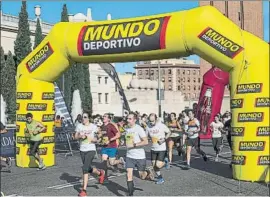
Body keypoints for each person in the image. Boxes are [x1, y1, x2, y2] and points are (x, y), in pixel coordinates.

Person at [74, 112, 105, 197]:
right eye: (82, 117)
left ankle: (84, 191)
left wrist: (96, 139)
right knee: (87, 167)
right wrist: (80, 136)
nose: (83, 119)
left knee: (85, 168)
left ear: (88, 118)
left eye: (85, 117)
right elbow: (75, 137)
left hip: (91, 149)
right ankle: (100, 173)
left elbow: (100, 134)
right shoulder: (79, 126)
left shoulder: (93, 126)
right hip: (82, 149)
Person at [125, 112, 154, 196]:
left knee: (142, 176)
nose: (128, 120)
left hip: (139, 156)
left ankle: (147, 173)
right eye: (127, 118)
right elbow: (128, 140)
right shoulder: (127, 129)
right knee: (128, 173)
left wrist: (134, 145)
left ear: (134, 120)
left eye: (130, 119)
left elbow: (146, 141)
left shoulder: (139, 129)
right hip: (129, 155)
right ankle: (130, 194)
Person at [99, 113, 125, 183]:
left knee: (111, 163)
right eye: (103, 116)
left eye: (105, 116)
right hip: (104, 147)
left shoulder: (111, 126)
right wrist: (100, 140)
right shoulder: (101, 126)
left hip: (112, 146)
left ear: (109, 119)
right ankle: (105, 178)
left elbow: (118, 135)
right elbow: (102, 136)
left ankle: (120, 161)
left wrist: (110, 140)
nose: (103, 117)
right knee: (104, 163)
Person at [146, 113, 171, 184]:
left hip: (161, 148)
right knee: (154, 166)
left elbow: (169, 132)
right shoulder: (148, 126)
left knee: (158, 165)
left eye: (153, 121)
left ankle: (166, 161)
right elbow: (146, 136)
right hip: (153, 148)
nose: (151, 123)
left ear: (156, 119)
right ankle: (160, 179)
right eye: (150, 121)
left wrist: (164, 139)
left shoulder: (161, 125)